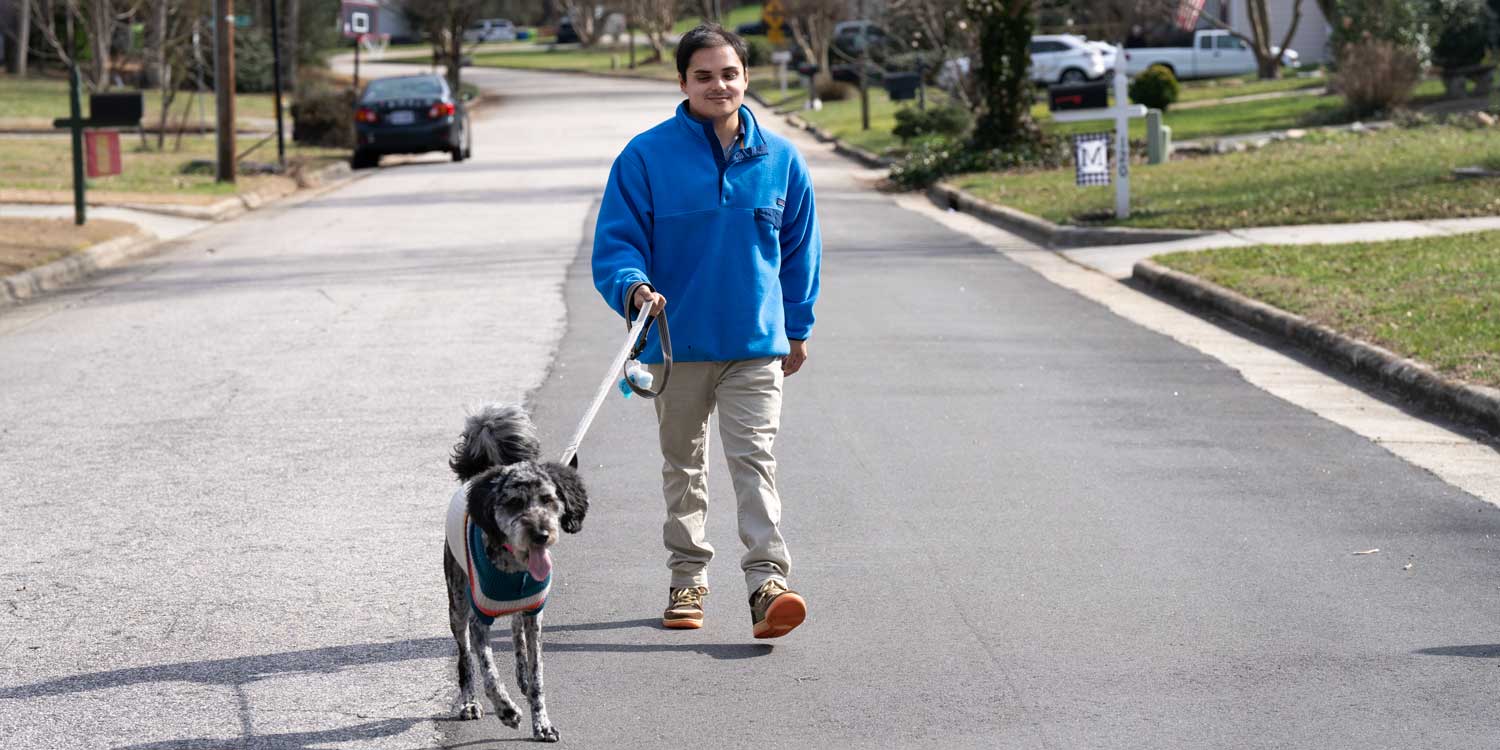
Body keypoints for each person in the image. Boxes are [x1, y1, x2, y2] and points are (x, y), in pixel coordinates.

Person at [591, 24, 822, 639]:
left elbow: (800, 253)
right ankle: (687, 577)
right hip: (674, 343)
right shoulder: (644, 157)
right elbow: (617, 245)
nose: (718, 85)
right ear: (683, 82)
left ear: (746, 78)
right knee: (684, 466)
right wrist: (634, 287)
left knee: (755, 461)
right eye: (704, 75)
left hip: (755, 345)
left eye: (729, 74)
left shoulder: (781, 159)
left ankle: (767, 585)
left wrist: (796, 327)